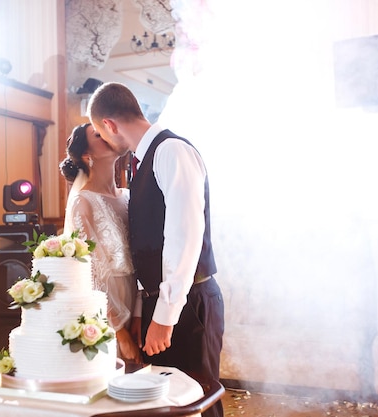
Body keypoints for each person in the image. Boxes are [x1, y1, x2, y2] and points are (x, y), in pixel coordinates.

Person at [87, 82, 225, 417]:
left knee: (196, 402)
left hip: (188, 303)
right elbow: (147, 243)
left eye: (100, 133)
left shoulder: (172, 151)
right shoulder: (141, 160)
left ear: (109, 125)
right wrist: (140, 312)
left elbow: (185, 237)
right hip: (159, 302)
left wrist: (164, 317)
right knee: (163, 405)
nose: (104, 140)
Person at [59, 122, 141, 363]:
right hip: (106, 305)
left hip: (138, 300)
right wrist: (120, 332)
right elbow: (89, 274)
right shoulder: (82, 203)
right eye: (98, 134)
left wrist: (138, 313)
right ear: (87, 155)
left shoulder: (128, 197)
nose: (108, 134)